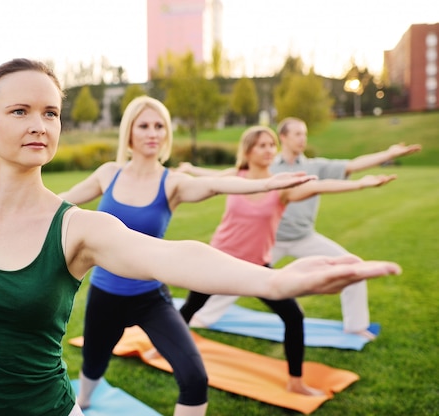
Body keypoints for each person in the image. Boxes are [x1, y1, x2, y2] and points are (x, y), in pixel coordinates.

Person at [0, 59, 401, 416]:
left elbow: (174, 256)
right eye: (21, 110)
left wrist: (276, 279)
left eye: (51, 113)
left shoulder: (79, 229)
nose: (39, 125)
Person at [58, 96, 320, 415]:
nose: (153, 133)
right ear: (129, 132)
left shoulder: (173, 183)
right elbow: (62, 202)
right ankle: (85, 399)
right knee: (93, 365)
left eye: (160, 126)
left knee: (195, 378)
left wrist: (265, 183)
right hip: (105, 295)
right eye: (144, 126)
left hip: (150, 296)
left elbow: (213, 186)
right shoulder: (107, 174)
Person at [177, 125, 397, 396]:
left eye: (272, 145)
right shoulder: (237, 176)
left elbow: (321, 186)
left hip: (257, 265)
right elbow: (208, 179)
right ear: (247, 151)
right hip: (219, 260)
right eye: (262, 145)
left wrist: (361, 183)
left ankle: (296, 382)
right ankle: (160, 347)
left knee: (293, 317)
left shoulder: (281, 188)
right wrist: (188, 171)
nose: (270, 150)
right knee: (189, 308)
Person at [269, 117, 421, 338]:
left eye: (305, 134)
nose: (303, 139)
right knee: (237, 275)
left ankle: (356, 325)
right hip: (271, 240)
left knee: (353, 267)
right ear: (283, 137)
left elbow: (354, 164)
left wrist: (390, 153)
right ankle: (204, 317)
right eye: (297, 134)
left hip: (304, 238)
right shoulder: (269, 167)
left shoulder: (315, 166)